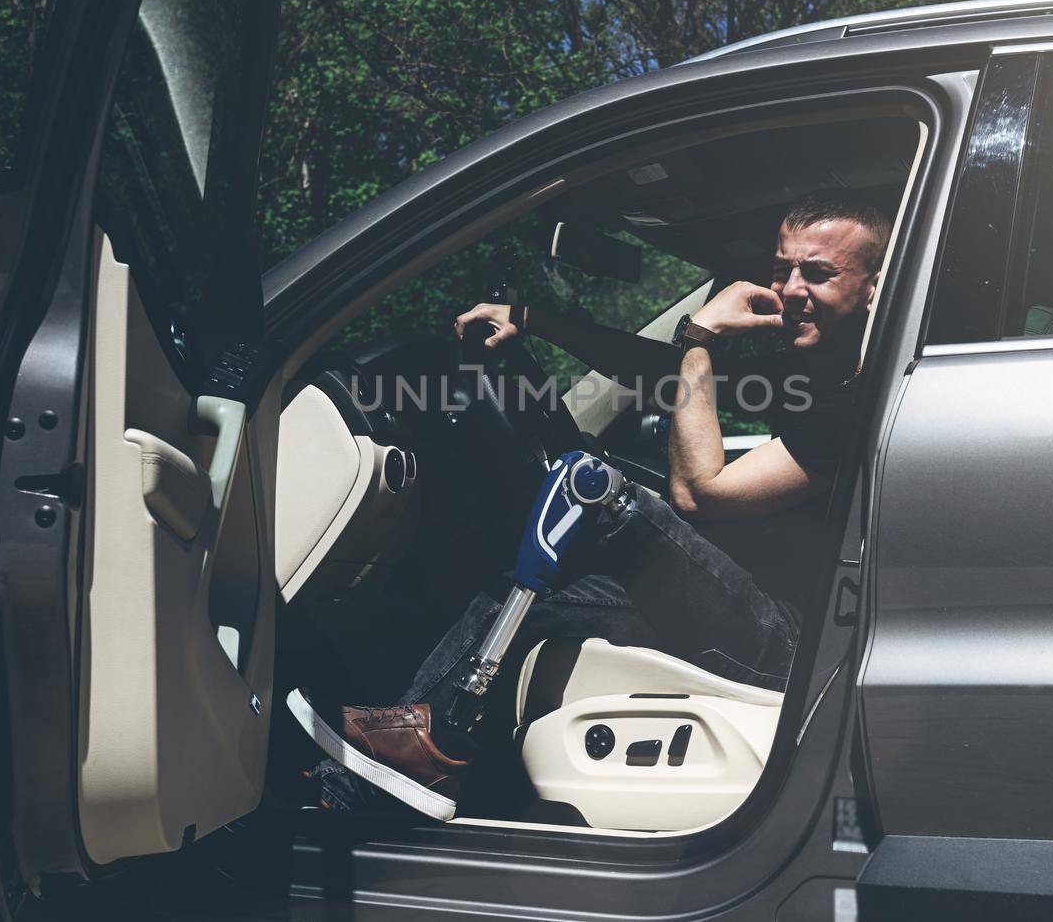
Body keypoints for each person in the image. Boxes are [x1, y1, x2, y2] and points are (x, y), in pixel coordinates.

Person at [318, 192, 890, 808]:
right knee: (522, 598)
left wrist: (700, 337)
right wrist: (534, 321)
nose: (792, 288)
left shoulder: (860, 398)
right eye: (783, 270)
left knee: (605, 500)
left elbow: (699, 493)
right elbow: (654, 370)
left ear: (875, 287)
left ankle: (409, 761)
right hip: (759, 613)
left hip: (792, 649)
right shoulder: (821, 370)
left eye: (820, 273)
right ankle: (383, 772)